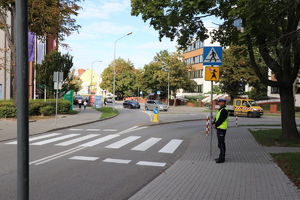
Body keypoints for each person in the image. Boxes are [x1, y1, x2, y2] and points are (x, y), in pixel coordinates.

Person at [212, 98, 229, 163]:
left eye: (220, 102)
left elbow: (221, 119)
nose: (219, 103)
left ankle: (222, 158)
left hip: (222, 129)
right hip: (219, 128)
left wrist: (216, 125)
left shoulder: (224, 110)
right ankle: (220, 156)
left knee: (221, 143)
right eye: (219, 102)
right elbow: (217, 118)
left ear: (223, 103)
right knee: (220, 143)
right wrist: (213, 123)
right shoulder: (220, 110)